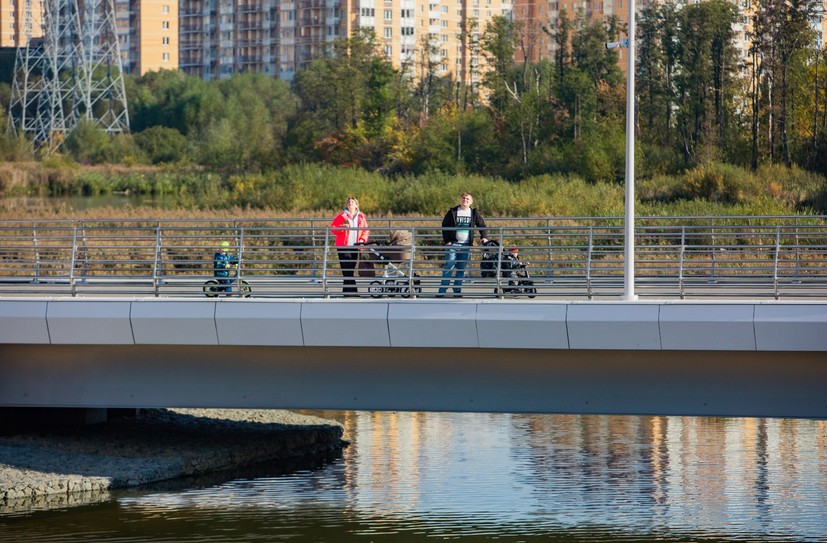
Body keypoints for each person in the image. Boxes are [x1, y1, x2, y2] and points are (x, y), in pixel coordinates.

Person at [438, 192, 488, 297]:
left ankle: (457, 291)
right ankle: (442, 291)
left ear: (471, 202)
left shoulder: (473, 213)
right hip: (453, 244)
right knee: (449, 266)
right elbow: (445, 225)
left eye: (467, 199)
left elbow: (482, 225)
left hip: (465, 245)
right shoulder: (453, 211)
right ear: (460, 200)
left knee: (461, 269)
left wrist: (483, 237)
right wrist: (447, 241)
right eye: (463, 198)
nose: (465, 200)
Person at [330, 197, 370, 296]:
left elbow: (365, 230)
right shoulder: (342, 216)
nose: (350, 203)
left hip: (355, 246)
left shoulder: (361, 217)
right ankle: (352, 291)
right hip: (343, 246)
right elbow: (333, 228)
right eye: (349, 202)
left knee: (350, 269)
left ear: (356, 205)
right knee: (346, 268)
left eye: (353, 202)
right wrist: (342, 227)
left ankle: (347, 291)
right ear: (347, 205)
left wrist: (362, 240)